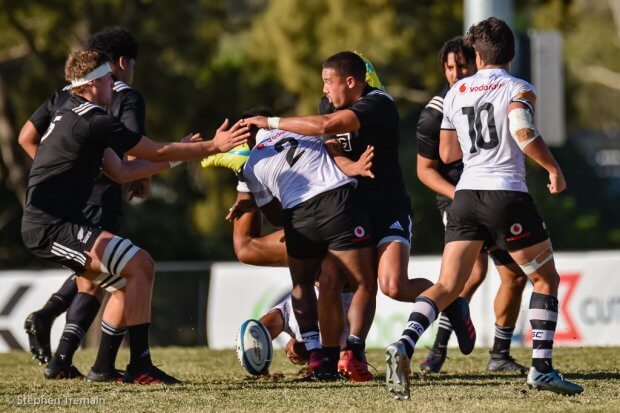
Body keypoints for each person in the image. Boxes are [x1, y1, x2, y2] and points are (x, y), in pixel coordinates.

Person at [241, 51, 475, 384]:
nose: (323, 90)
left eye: (328, 82)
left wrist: (270, 123)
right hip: (349, 208)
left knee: (392, 285)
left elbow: (327, 126)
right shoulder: (329, 103)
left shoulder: (378, 104)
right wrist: (350, 167)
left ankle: (451, 301)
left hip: (388, 207)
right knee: (332, 281)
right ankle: (342, 356)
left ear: (351, 83)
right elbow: (330, 143)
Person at [20, 49, 248, 384]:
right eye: (108, 79)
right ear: (94, 82)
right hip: (49, 228)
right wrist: (214, 146)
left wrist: (180, 156)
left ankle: (101, 369)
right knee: (139, 265)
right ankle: (138, 364)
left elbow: (121, 170)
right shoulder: (94, 119)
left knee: (130, 279)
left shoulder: (65, 105)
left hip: (58, 223)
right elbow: (155, 150)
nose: (113, 84)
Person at [386, 17, 583, 398]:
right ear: (511, 53)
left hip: (464, 197)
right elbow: (523, 131)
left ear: (476, 56)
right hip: (505, 195)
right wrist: (552, 167)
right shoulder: (517, 87)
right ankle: (542, 369)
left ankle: (405, 343)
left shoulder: (457, 91)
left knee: (447, 285)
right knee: (545, 279)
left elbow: (446, 153)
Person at [19, 26, 170, 382]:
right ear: (120, 63)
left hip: (67, 201)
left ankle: (60, 351)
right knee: (109, 275)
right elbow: (134, 149)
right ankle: (102, 365)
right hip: (101, 195)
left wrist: (54, 170)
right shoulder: (126, 96)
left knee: (95, 276)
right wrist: (144, 174)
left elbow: (27, 137)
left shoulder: (64, 96)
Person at [240, 107, 377, 381]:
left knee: (302, 284)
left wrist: (254, 196)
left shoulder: (251, 163)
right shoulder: (302, 127)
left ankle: (318, 357)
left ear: (248, 136)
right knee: (363, 283)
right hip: (336, 201)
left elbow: (276, 217)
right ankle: (352, 353)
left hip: (297, 216)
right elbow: (331, 142)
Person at [416, 36, 527, 374]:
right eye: (449, 67)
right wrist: (459, 195)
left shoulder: (493, 96)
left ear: (477, 63)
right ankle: (438, 350)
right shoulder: (437, 112)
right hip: (461, 199)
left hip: (491, 196)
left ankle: (498, 353)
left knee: (512, 276)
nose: (455, 73)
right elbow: (425, 170)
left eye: (461, 65)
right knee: (471, 274)